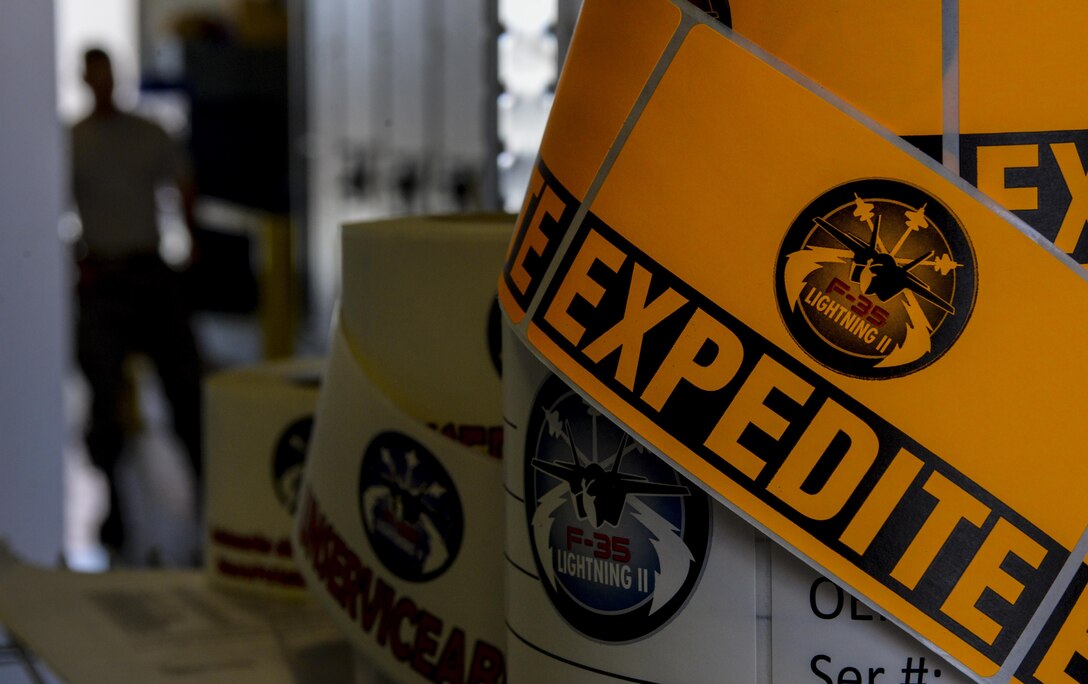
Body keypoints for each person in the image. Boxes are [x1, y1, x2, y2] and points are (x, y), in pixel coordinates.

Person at [70, 47, 203, 558]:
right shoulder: (74, 140)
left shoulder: (148, 134)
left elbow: (183, 184)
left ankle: (206, 496)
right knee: (103, 402)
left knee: (184, 392)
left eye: (108, 77)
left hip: (150, 275)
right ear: (84, 80)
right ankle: (115, 508)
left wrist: (190, 245)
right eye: (93, 78)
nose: (101, 86)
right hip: (102, 279)